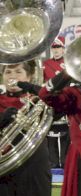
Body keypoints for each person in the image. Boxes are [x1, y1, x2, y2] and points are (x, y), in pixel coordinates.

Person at [0, 62, 51, 196]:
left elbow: (58, 102)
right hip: (5, 169)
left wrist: (31, 88)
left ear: (28, 77)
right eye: (8, 72)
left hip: (35, 165)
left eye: (18, 72)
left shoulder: (38, 100)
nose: (12, 76)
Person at [42, 36, 70, 168]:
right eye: (54, 48)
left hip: (66, 102)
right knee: (50, 132)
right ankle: (53, 162)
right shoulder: (45, 64)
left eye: (58, 47)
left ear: (63, 48)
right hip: (50, 103)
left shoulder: (69, 63)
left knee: (66, 133)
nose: (56, 50)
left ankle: (65, 162)